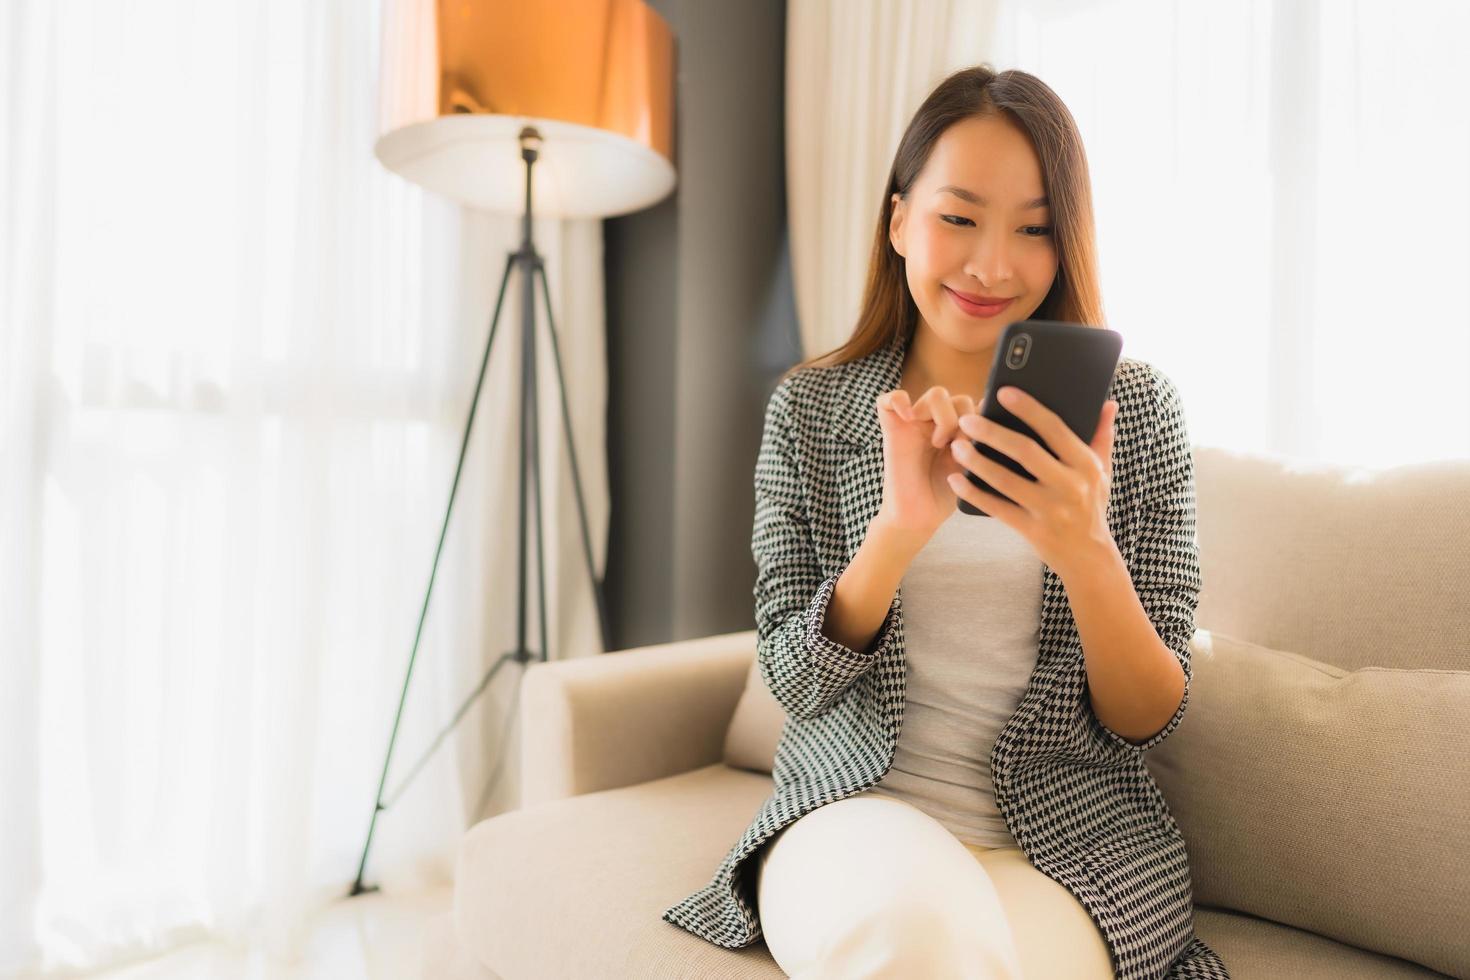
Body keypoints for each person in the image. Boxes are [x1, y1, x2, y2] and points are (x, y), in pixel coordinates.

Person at [661, 64, 1229, 980]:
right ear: (897, 222)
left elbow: (1151, 719)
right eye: (958, 217)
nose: (992, 264)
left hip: (1071, 848)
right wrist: (895, 535)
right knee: (915, 949)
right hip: (857, 813)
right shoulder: (811, 409)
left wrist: (1085, 555)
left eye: (1035, 228)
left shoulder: (1137, 413)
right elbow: (792, 685)